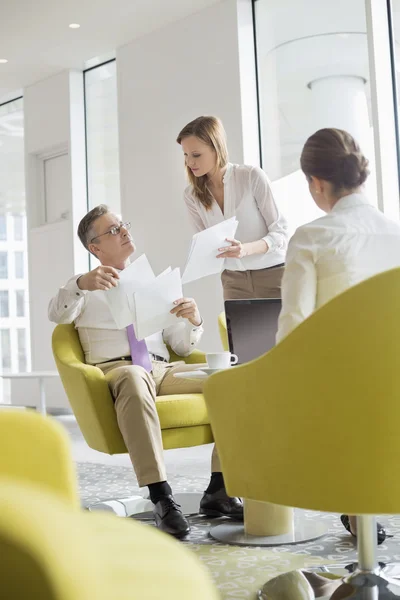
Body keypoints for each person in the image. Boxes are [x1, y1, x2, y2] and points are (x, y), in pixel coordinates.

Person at [49, 204, 243, 539]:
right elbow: (57, 313)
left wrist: (191, 319)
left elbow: (180, 347)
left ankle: (220, 489)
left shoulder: (153, 283)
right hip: (117, 369)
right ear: (95, 247)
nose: (124, 232)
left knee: (231, 380)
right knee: (134, 377)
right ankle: (161, 497)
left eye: (123, 225)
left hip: (162, 368)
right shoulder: (84, 289)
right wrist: (81, 282)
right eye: (113, 230)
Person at [277, 127, 400, 544]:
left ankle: (352, 507)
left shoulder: (312, 238)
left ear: (316, 182)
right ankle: (359, 514)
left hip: (343, 402)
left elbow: (293, 333)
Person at [177, 116, 289, 300]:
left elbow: (281, 232)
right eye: (185, 155)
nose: (189, 162)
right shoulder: (191, 196)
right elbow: (205, 245)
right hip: (233, 282)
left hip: (273, 275)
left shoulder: (251, 177)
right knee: (239, 331)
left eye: (196, 155)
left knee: (285, 330)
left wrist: (245, 249)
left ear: (216, 149)